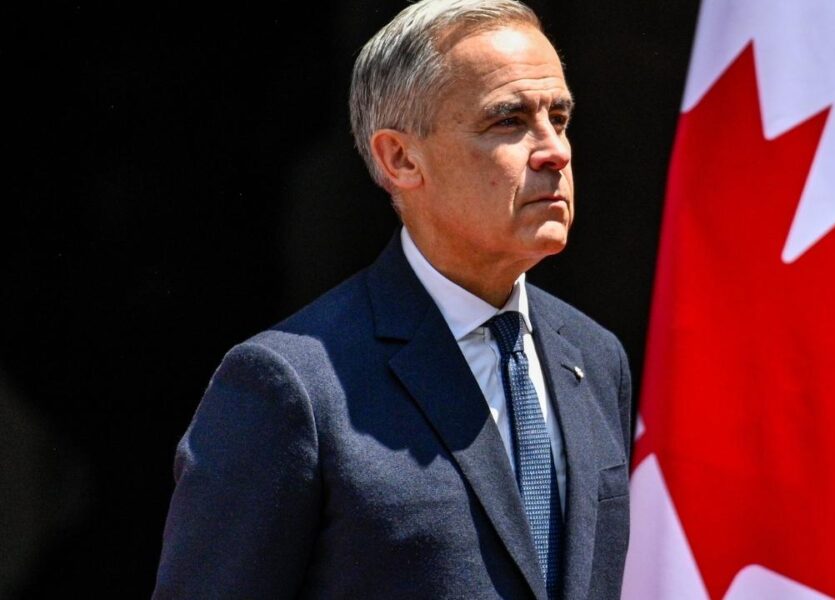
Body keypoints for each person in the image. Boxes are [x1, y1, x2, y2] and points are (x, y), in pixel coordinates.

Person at [152, 1, 631, 598]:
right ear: (400, 158)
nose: (554, 150)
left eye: (558, 117)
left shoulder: (594, 356)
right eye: (508, 120)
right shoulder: (290, 385)